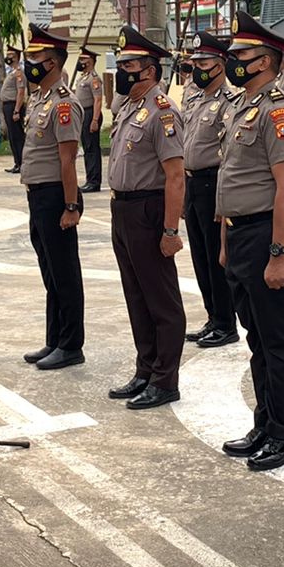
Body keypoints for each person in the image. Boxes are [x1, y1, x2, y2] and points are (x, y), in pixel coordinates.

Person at [216, 11, 284, 472]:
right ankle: (264, 420)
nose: (232, 61)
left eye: (242, 55)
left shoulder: (278, 112)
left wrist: (279, 253)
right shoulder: (240, 107)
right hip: (239, 233)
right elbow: (231, 179)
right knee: (256, 338)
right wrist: (226, 238)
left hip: (264, 233)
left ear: (266, 61)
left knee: (278, 339)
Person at [105, 26, 188, 411]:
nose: (122, 70)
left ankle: (165, 379)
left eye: (130, 64)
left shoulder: (163, 112)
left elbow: (175, 175)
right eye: (121, 64)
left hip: (148, 209)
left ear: (150, 71)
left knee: (161, 299)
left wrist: (171, 230)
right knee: (135, 294)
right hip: (122, 209)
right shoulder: (128, 107)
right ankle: (145, 368)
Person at [20, 24, 86, 371]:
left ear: (52, 64)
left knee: (65, 273)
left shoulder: (64, 104)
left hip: (55, 195)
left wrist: (71, 205)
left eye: (35, 58)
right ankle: (54, 339)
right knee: (49, 272)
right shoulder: (38, 100)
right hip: (37, 194)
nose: (28, 63)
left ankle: (71, 344)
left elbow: (67, 159)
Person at [182, 31, 240, 348]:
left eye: (204, 63)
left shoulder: (229, 104)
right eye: (195, 63)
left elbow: (229, 153)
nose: (198, 69)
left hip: (212, 183)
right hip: (192, 184)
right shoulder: (194, 100)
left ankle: (225, 322)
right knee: (199, 256)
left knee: (216, 257)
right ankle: (211, 315)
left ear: (220, 65)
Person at [75, 46, 103, 193]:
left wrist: (95, 120)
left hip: (91, 113)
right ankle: (89, 179)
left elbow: (98, 99)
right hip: (83, 114)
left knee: (92, 149)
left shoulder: (94, 78)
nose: (80, 61)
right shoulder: (83, 77)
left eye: (83, 59)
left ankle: (94, 181)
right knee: (87, 148)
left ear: (90, 61)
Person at [1, 45, 26, 175]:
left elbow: (21, 92)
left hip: (13, 106)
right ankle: (17, 163)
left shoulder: (19, 73)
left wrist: (16, 110)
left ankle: (22, 163)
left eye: (10, 55)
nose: (8, 57)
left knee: (17, 136)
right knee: (12, 136)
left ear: (16, 57)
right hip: (7, 106)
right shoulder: (11, 72)